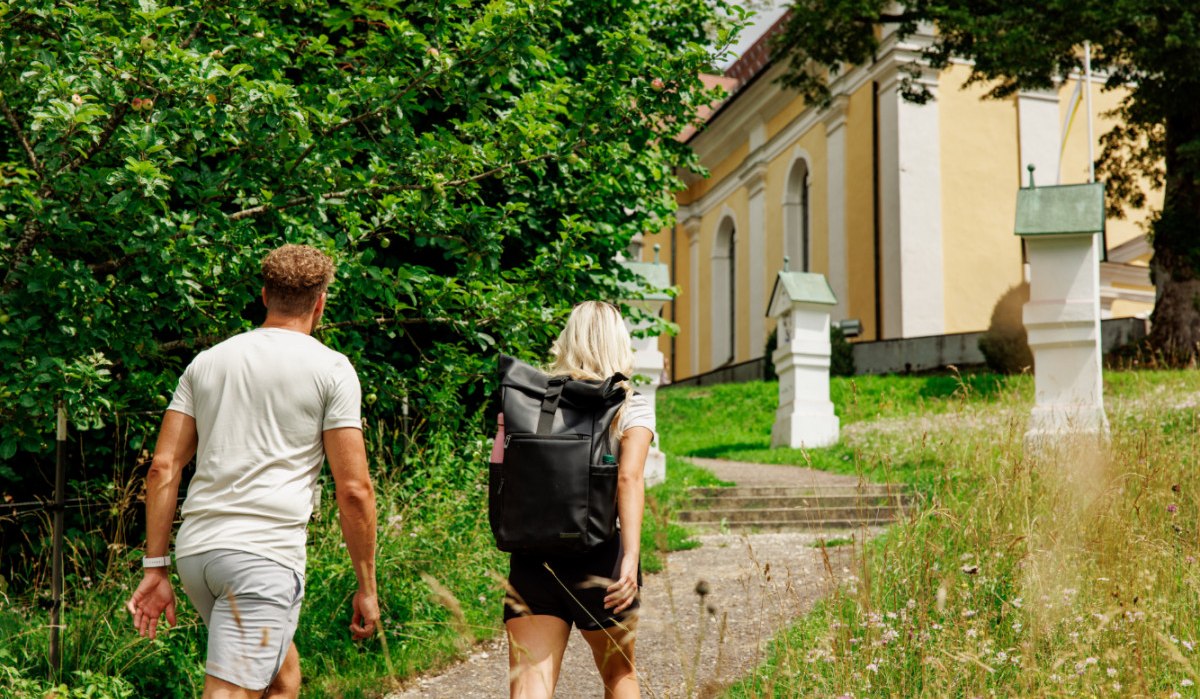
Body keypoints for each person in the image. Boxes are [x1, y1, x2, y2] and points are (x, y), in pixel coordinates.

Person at [125, 244, 379, 698]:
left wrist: (156, 566)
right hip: (261, 561)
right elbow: (355, 489)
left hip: (199, 556)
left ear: (264, 296)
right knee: (232, 691)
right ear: (320, 302)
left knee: (282, 679)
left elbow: (163, 468)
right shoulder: (332, 369)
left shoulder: (207, 362)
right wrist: (367, 586)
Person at [504, 301, 655, 699]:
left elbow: (504, 472)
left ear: (568, 340)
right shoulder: (630, 405)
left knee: (530, 683)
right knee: (619, 675)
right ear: (619, 343)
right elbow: (629, 477)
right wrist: (630, 559)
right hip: (602, 559)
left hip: (534, 559)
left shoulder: (528, 402)